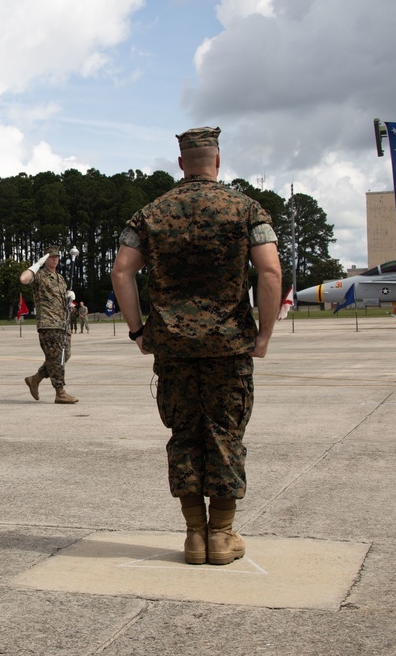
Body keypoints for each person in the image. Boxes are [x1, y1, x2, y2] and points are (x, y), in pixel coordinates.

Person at [110, 126, 282, 566]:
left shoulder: (150, 213)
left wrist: (138, 330)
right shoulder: (246, 209)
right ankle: (222, 535)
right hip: (228, 345)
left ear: (181, 163)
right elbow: (270, 273)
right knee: (225, 434)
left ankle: (193, 536)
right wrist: (263, 334)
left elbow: (121, 272)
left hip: (173, 346)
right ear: (218, 161)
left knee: (184, 435)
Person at [19, 246, 78, 404]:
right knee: (57, 359)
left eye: (57, 257)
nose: (55, 259)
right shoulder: (39, 275)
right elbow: (24, 279)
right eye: (51, 257)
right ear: (45, 259)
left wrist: (69, 299)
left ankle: (35, 379)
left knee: (64, 356)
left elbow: (62, 302)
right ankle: (60, 392)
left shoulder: (60, 278)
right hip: (48, 324)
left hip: (62, 324)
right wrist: (36, 265)